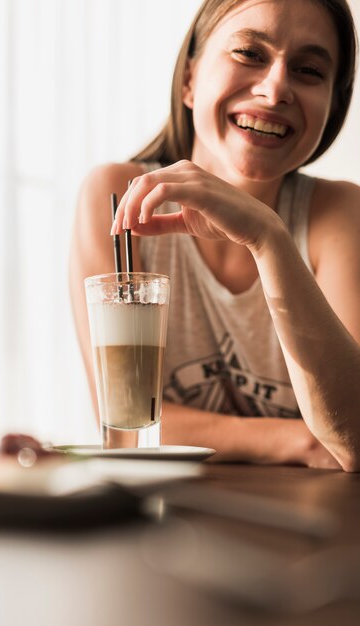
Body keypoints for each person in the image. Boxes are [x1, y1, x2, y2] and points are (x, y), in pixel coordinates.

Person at [70, 0, 360, 471]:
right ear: (189, 80)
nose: (275, 89)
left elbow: (354, 437)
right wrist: (303, 442)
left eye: (308, 70)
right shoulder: (117, 197)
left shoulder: (340, 214)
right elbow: (125, 426)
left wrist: (269, 238)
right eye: (249, 53)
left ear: (333, 104)